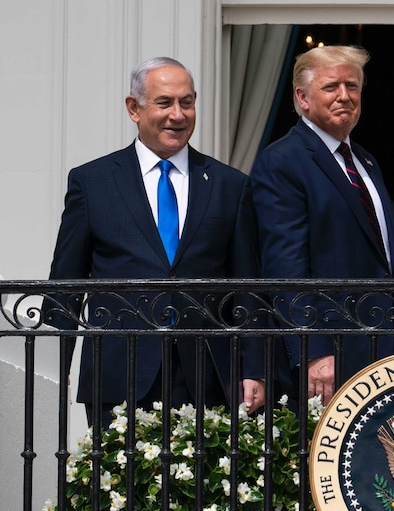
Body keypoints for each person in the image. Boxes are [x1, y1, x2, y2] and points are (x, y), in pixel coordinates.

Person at [44, 57, 266, 425]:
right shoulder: (93, 182)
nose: (177, 115)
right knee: (119, 483)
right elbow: (65, 284)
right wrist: (51, 371)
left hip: (207, 374)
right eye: (164, 103)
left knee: (203, 484)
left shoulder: (230, 185)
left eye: (187, 102)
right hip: (118, 373)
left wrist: (254, 368)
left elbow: (248, 288)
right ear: (134, 108)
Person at [250, 45, 394, 405]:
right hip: (329, 356)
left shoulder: (364, 160)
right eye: (332, 87)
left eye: (353, 87)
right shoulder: (282, 161)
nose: (345, 96)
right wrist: (313, 350)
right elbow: (285, 269)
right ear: (302, 97)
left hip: (378, 347)